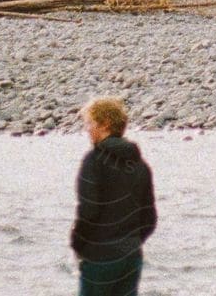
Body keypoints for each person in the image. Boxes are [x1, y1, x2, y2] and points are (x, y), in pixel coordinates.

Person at [70, 97, 157, 296]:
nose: (87, 130)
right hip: (131, 256)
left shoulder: (94, 161)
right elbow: (149, 219)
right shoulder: (140, 165)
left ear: (105, 124)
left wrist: (78, 245)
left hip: (99, 256)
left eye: (90, 123)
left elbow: (88, 211)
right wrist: (131, 242)